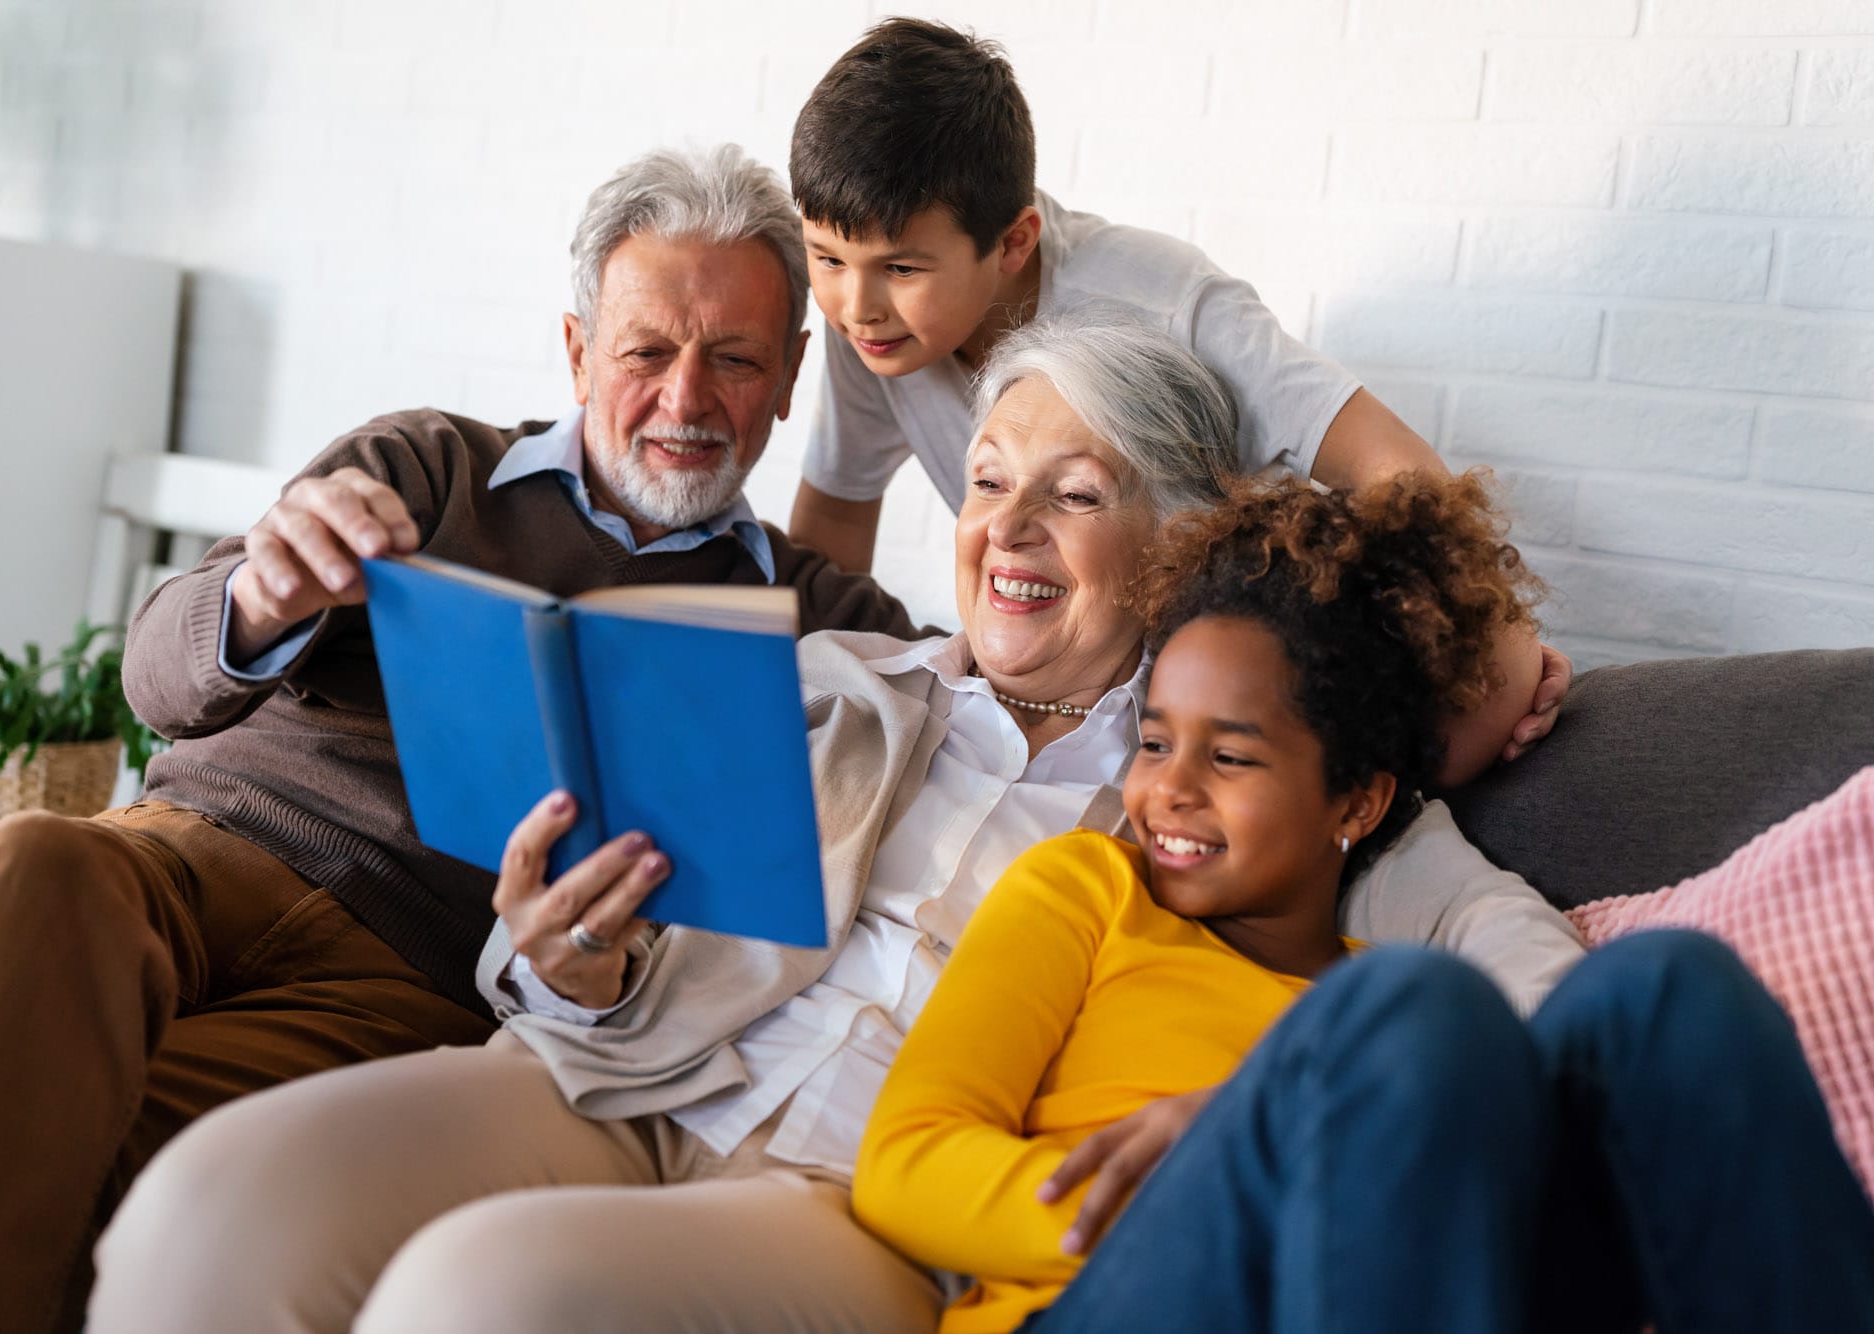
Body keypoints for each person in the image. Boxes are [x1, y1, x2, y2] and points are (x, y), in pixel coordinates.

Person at [90, 309, 1586, 1334]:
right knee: (214, 1201)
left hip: (861, 1205)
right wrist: (570, 959)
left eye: (1075, 494)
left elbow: (1523, 983)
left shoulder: (1240, 783)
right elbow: (580, 977)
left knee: (487, 1298)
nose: (1007, 528)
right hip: (621, 1085)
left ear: (1180, 540)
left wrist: (1296, 1110)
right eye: (991, 482)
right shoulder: (828, 677)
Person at [0, 143, 922, 1334]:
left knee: (77, 1143)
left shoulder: (823, 621)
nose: (685, 400)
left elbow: (1025, 688)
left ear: (789, 377)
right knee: (29, 866)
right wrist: (265, 598)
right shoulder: (430, 463)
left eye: (733, 359)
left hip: (418, 978)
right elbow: (155, 677)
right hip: (194, 852)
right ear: (579, 350)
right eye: (645, 351)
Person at [853, 473, 1874, 1334]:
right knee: (1410, 1007)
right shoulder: (1085, 886)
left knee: (1668, 984)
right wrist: (1250, 1152)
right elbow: (903, 1163)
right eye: (1154, 741)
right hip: (1114, 1294)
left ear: (1356, 797)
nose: (1165, 788)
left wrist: (1316, 1125)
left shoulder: (1398, 1028)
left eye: (1231, 755)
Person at [784, 17, 1565, 779]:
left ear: (1014, 241)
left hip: (1225, 672)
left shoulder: (1169, 302)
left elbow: (1397, 471)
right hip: (1070, 674)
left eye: (902, 269)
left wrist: (1480, 642)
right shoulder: (877, 333)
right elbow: (839, 516)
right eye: (826, 256)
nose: (856, 304)